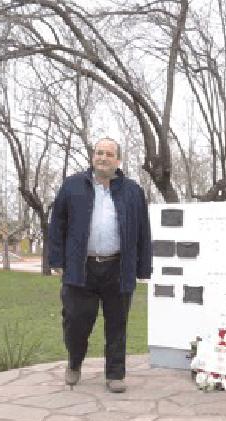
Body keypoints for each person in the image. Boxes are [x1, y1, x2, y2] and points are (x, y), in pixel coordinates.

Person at [48, 138, 152, 393]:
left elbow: (143, 232)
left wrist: (143, 267)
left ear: (118, 160)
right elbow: (57, 224)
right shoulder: (73, 186)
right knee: (75, 322)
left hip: (118, 267)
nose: (102, 157)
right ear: (93, 157)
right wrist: (57, 260)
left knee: (117, 323)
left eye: (109, 154)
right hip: (80, 269)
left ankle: (115, 374)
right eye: (98, 153)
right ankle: (74, 362)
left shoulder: (132, 191)